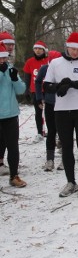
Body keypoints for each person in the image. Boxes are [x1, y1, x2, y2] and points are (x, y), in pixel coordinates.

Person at [43, 32, 78, 197]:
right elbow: (46, 84)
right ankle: (70, 181)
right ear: (67, 47)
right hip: (62, 110)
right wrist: (59, 87)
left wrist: (71, 84)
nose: (75, 52)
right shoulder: (55, 63)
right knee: (66, 146)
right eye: (72, 49)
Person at [0, 42, 27, 187]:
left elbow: (21, 90)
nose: (3, 61)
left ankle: (14, 175)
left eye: (4, 58)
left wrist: (15, 79)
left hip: (10, 114)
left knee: (13, 146)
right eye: (0, 59)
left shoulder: (10, 70)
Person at [23, 40, 50, 140]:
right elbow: (27, 77)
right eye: (36, 49)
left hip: (48, 90)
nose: (38, 51)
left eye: (40, 49)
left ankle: (52, 131)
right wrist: (26, 90)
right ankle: (40, 132)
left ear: (44, 50)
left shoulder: (48, 60)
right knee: (38, 112)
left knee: (49, 112)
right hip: (36, 91)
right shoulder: (30, 61)